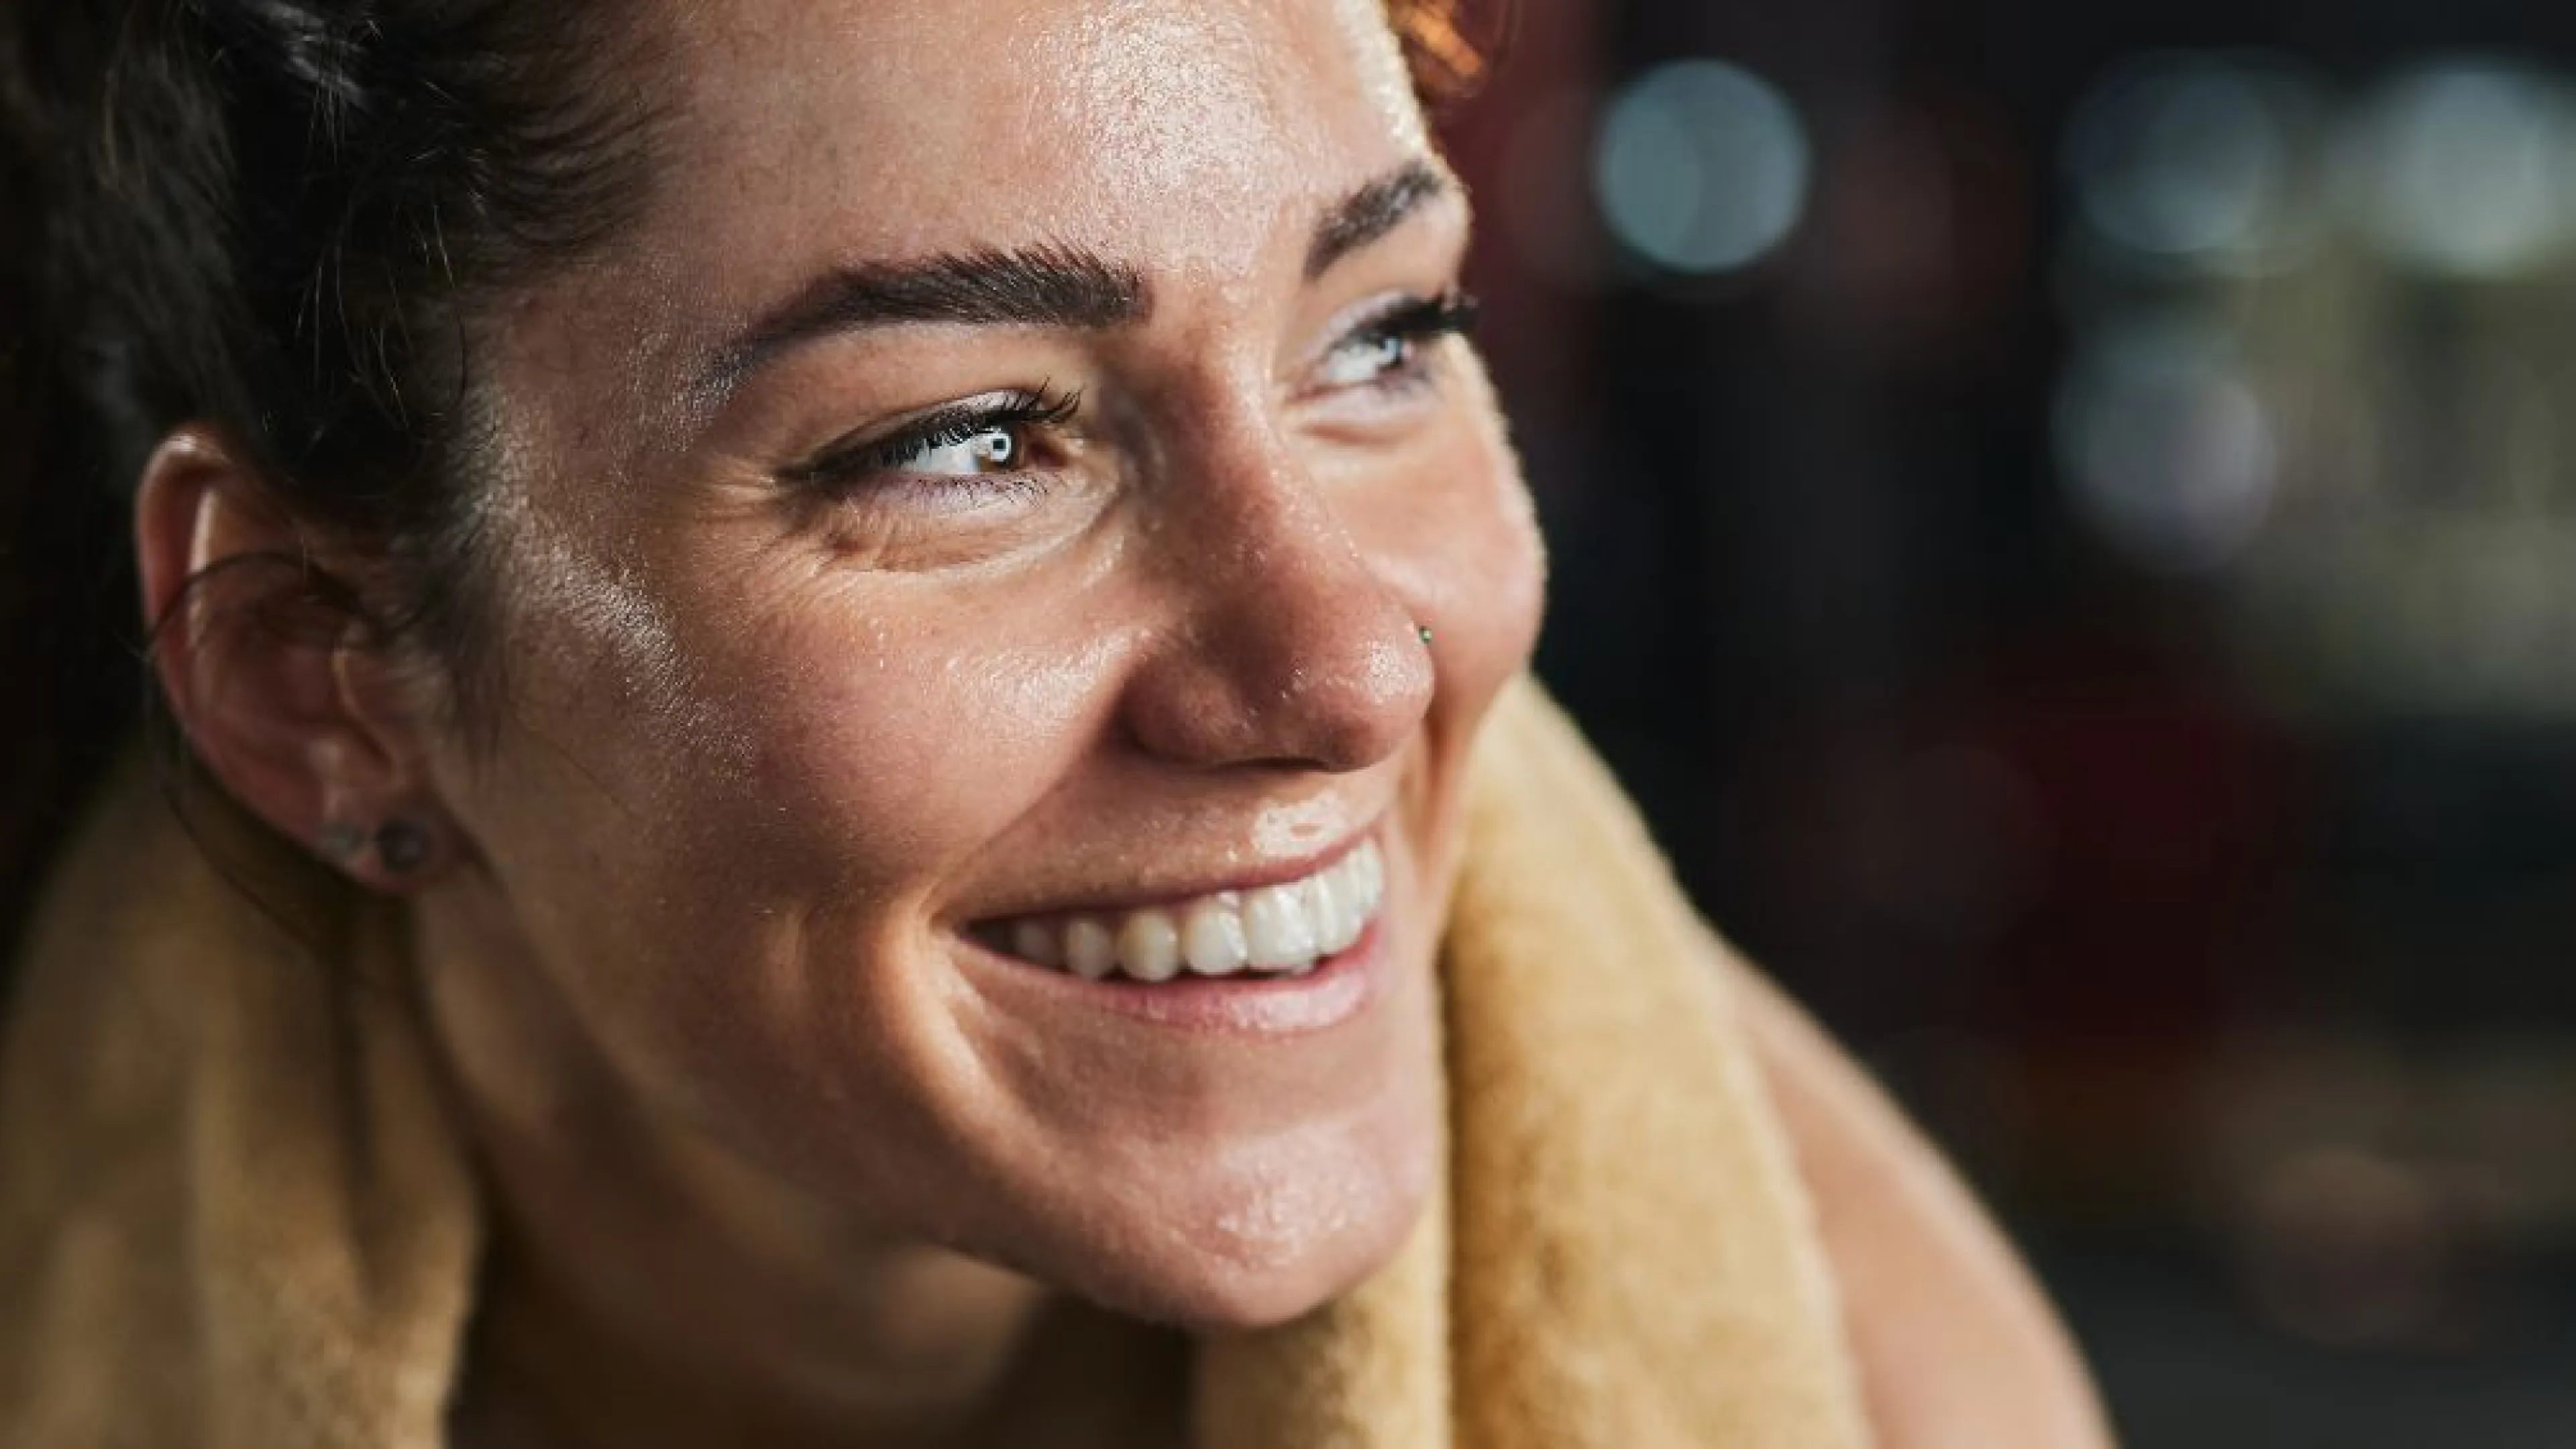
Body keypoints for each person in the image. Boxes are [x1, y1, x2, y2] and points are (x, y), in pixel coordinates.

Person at [0, 1, 2112, 1445]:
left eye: (1383, 335)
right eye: (966, 439)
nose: (1346, 673)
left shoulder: (1890, 1393)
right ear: (320, 680)